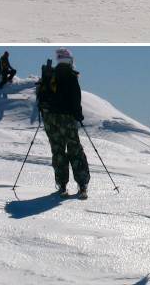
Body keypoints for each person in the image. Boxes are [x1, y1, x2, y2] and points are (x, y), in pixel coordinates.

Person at [42, 48, 90, 199]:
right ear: (70, 60)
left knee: (58, 151)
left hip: (50, 119)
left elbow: (42, 95)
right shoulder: (71, 76)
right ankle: (82, 185)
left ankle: (62, 185)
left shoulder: (50, 75)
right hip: (66, 119)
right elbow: (76, 99)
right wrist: (78, 115)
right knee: (74, 150)